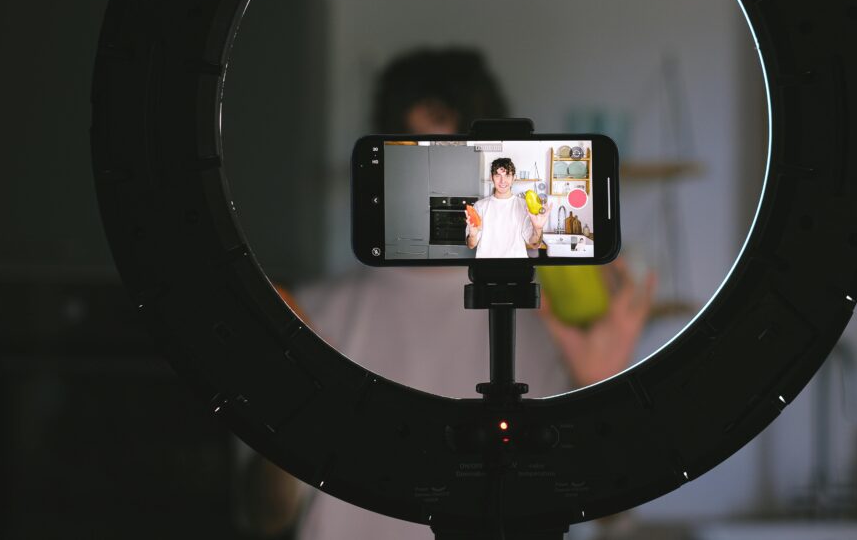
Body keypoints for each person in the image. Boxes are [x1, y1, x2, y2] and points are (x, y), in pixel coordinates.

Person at [239, 47, 655, 539]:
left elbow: (611, 517)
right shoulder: (310, 317)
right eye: (419, 160)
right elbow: (264, 516)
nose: (442, 195)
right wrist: (299, 416)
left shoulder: (555, 325)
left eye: (459, 160)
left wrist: (600, 392)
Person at [466, 157, 550, 258]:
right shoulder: (480, 206)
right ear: (492, 178)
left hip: (515, 265)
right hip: (487, 265)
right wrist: (473, 235)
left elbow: (534, 244)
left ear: (514, 178)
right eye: (498, 175)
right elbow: (471, 245)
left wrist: (538, 228)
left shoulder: (524, 206)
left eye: (507, 175)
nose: (503, 181)